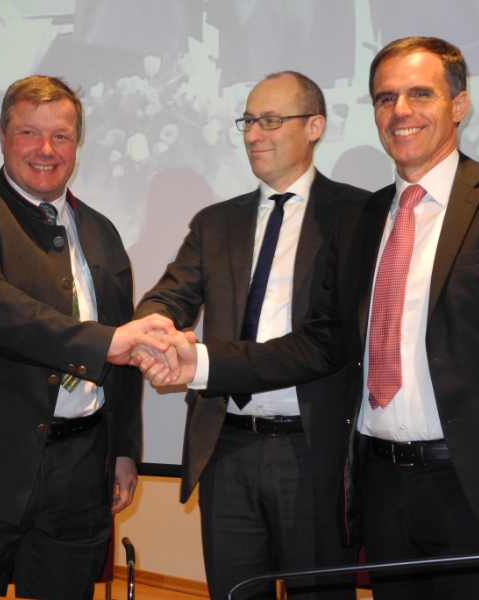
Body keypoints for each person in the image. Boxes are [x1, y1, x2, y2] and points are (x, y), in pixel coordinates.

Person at [138, 38, 479, 599]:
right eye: (386, 98)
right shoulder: (361, 218)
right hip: (382, 485)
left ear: (459, 104)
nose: (400, 110)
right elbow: (321, 343)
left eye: (420, 94)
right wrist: (200, 364)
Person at [0, 75, 174, 600]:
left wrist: (124, 450)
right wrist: (103, 343)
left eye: (61, 136)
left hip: (80, 473)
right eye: (29, 133)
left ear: (77, 143)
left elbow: (122, 350)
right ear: (2, 136)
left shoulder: (102, 232)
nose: (46, 149)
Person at [134, 71, 370, 600]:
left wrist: (198, 361)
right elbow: (169, 295)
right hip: (227, 447)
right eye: (247, 122)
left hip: (314, 450)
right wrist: (154, 333)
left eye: (271, 121)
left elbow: (330, 339)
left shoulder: (356, 214)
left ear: (315, 126)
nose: (254, 135)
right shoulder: (216, 222)